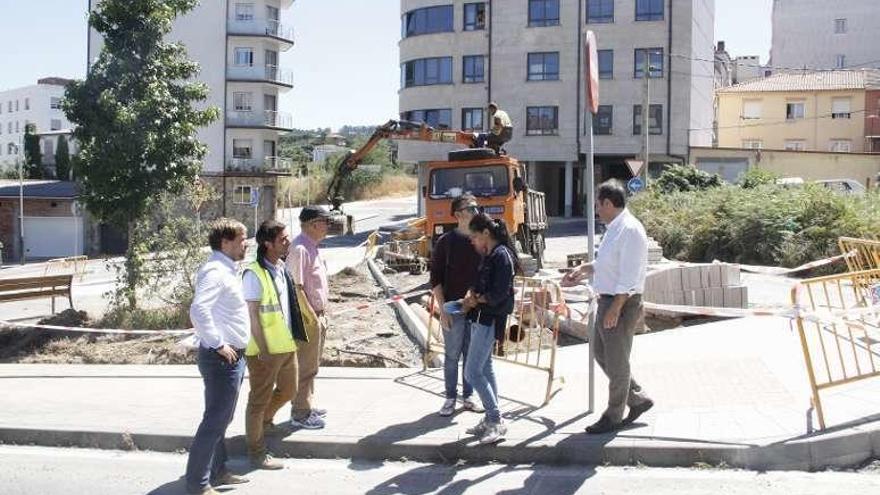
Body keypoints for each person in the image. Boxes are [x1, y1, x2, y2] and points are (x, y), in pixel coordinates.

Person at [562, 180, 654, 435]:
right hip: (608, 300)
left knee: (616, 359)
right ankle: (636, 398)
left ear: (609, 203)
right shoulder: (614, 228)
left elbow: (629, 274)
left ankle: (614, 415)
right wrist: (584, 268)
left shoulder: (631, 230)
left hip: (621, 302)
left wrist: (616, 308)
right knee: (603, 355)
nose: (596, 210)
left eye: (598, 205)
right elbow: (608, 262)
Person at [185, 218, 251, 495]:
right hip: (222, 358)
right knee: (214, 421)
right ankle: (198, 484)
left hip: (231, 356)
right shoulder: (216, 271)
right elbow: (199, 310)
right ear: (225, 242)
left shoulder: (226, 269)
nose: (246, 243)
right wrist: (218, 344)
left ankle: (219, 471)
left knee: (222, 419)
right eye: (241, 239)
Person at [242, 220, 308, 469]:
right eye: (282, 239)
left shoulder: (281, 268)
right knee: (257, 400)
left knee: (289, 391)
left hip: (285, 345)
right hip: (263, 351)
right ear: (267, 244)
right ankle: (256, 452)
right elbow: (252, 316)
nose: (288, 242)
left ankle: (264, 422)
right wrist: (264, 351)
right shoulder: (254, 274)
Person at [461, 213, 520, 444]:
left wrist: (477, 300)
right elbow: (481, 285)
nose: (473, 242)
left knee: (471, 372)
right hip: (479, 317)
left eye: (475, 237)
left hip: (488, 319)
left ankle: (495, 421)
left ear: (486, 234)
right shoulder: (490, 254)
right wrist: (471, 296)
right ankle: (491, 418)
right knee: (485, 368)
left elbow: (498, 294)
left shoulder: (501, 256)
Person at [430, 194, 483, 417]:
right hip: (453, 308)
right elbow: (436, 280)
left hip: (477, 309)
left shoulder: (481, 240)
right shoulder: (446, 243)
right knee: (452, 355)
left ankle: (468, 396)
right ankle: (450, 397)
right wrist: (443, 310)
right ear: (459, 214)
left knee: (472, 356)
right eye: (471, 208)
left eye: (477, 207)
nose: (476, 211)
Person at [287, 205, 331, 429]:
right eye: (326, 222)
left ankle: (307, 403)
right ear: (314, 223)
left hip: (317, 315)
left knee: (312, 364)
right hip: (307, 318)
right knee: (305, 366)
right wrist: (311, 316)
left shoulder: (312, 246)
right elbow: (297, 287)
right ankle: (300, 413)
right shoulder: (300, 249)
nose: (328, 226)